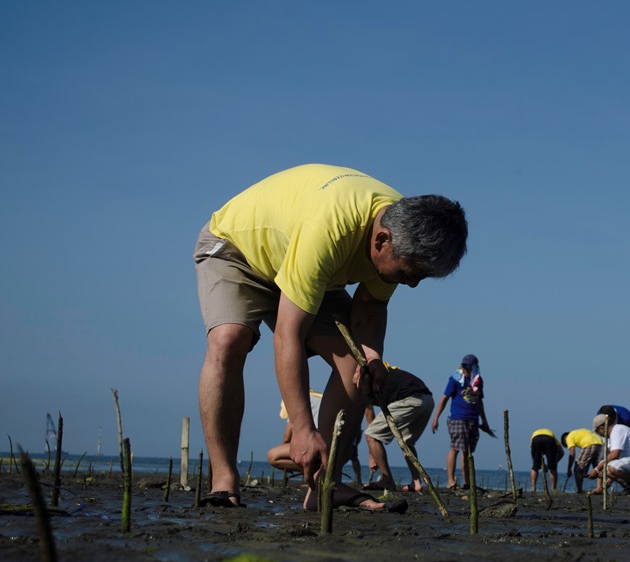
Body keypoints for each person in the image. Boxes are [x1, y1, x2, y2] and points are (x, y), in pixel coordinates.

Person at [194, 164, 468, 509]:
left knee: (356, 368)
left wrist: (372, 359)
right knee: (229, 341)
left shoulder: (401, 227)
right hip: (237, 250)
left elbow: (369, 308)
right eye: (409, 274)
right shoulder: (330, 230)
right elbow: (288, 334)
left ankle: (326, 486)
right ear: (381, 240)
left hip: (307, 268)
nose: (411, 284)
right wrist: (302, 429)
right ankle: (223, 481)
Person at [361, 363, 434, 493]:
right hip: (427, 400)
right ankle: (416, 482)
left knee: (371, 435)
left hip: (411, 399)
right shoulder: (383, 372)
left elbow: (369, 417)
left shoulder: (365, 376)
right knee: (407, 443)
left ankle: (387, 479)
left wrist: (372, 453)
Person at [267, 390, 362, 484]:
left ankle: (317, 470)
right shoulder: (315, 399)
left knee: (273, 456)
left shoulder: (296, 403)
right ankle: (358, 480)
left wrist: (291, 461)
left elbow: (286, 438)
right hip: (345, 444)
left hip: (325, 446)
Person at [430, 354, 493, 489]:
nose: (465, 368)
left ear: (475, 367)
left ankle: (468, 483)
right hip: (458, 418)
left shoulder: (478, 380)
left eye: (468, 366)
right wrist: (436, 418)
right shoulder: (455, 379)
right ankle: (451, 481)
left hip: (473, 419)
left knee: (468, 452)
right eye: (463, 365)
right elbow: (444, 398)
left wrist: (485, 421)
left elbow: (479, 402)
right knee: (455, 448)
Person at [588, 413, 630, 495]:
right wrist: (602, 473)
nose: (599, 434)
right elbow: (611, 458)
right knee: (607, 469)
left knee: (611, 467)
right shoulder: (613, 435)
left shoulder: (617, 430)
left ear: (601, 427)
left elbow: (615, 455)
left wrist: (596, 469)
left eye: (597, 431)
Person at [561, 428, 604, 493]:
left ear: (565, 439)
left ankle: (579, 490)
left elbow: (572, 453)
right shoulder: (577, 433)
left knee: (578, 468)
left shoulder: (569, 437)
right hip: (600, 443)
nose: (569, 445)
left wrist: (569, 468)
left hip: (589, 444)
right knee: (597, 468)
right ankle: (600, 488)